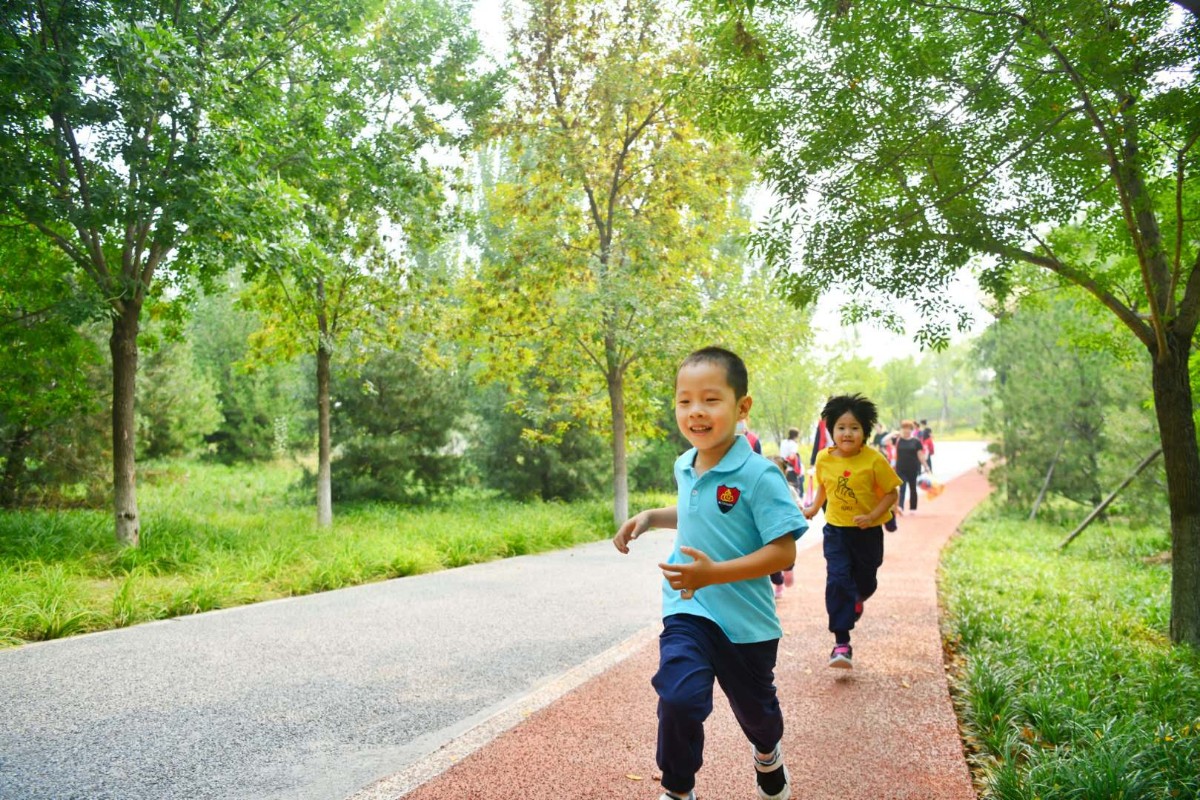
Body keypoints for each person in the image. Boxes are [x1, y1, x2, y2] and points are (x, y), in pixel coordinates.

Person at [614, 346, 807, 800]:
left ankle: (767, 753)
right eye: (684, 400)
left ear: (742, 407)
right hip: (688, 608)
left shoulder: (760, 476)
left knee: (758, 715)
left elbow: (783, 552)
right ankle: (679, 789)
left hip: (746, 625)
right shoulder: (686, 464)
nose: (695, 411)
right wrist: (649, 517)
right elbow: (693, 512)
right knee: (678, 699)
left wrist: (714, 573)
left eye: (710, 399)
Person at [802, 394, 900, 670]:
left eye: (854, 428)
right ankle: (841, 643)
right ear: (831, 430)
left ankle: (856, 600)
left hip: (867, 533)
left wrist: (871, 516)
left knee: (866, 582)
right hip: (836, 530)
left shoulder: (874, 460)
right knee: (837, 579)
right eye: (841, 427)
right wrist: (812, 508)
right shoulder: (824, 458)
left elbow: (891, 493)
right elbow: (825, 487)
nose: (847, 433)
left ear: (865, 432)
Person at [767, 455, 800, 599]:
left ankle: (789, 568)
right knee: (771, 558)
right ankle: (777, 582)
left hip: (786, 528)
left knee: (785, 553)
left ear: (784, 472)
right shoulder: (760, 488)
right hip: (768, 529)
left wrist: (800, 508)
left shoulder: (789, 489)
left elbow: (797, 502)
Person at [892, 420, 928, 513]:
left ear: (911, 430)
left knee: (913, 488)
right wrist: (893, 433)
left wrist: (926, 466)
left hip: (913, 468)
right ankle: (900, 507)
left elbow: (920, 455)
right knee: (902, 487)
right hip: (900, 468)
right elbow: (883, 441)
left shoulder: (916, 442)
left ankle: (913, 508)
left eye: (908, 428)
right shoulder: (898, 440)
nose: (906, 430)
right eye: (904, 428)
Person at [779, 427, 803, 496]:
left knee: (785, 489)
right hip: (791, 470)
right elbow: (792, 457)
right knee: (794, 490)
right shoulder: (793, 444)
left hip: (782, 468)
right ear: (796, 435)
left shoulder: (783, 442)